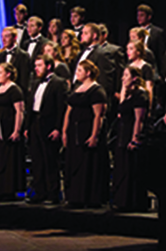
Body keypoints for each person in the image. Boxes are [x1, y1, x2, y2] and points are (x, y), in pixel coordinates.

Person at [62, 60, 108, 208]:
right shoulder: (77, 89)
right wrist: (64, 131)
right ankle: (74, 196)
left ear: (88, 73)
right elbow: (68, 111)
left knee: (87, 163)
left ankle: (88, 197)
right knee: (73, 163)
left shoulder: (97, 91)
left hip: (86, 130)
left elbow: (98, 115)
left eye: (80, 70)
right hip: (73, 131)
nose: (77, 73)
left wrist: (94, 135)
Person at [25, 55, 68, 204]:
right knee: (37, 160)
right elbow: (31, 105)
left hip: (49, 125)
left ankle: (53, 193)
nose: (36, 68)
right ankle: (40, 191)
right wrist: (27, 126)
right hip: (35, 124)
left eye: (39, 65)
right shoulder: (36, 82)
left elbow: (61, 108)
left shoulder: (59, 83)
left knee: (50, 160)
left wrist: (58, 128)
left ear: (48, 66)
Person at [0, 62, 25, 201]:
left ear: (8, 74)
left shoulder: (15, 90)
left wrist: (16, 130)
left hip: (8, 127)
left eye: (0, 73)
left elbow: (19, 111)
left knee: (9, 159)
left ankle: (9, 190)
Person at [113, 66, 150, 212]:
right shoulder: (128, 94)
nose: (123, 78)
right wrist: (123, 89)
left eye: (126, 75)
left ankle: (133, 202)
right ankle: (122, 201)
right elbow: (121, 111)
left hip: (131, 133)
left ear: (134, 78)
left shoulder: (140, 95)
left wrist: (135, 138)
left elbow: (139, 119)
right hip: (122, 133)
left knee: (131, 169)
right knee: (122, 168)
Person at [73, 23, 115, 98]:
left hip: (89, 97)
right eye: (82, 33)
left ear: (94, 35)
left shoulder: (102, 54)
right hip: (77, 94)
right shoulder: (81, 53)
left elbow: (105, 82)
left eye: (85, 33)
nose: (82, 35)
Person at [0, 26, 30, 94]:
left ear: (15, 37)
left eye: (6, 36)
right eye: (2, 37)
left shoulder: (23, 55)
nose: (3, 39)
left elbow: (24, 79)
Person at [136, 4, 166, 71]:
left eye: (142, 15)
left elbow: (161, 54)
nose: (139, 18)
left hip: (151, 68)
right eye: (138, 15)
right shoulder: (135, 31)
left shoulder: (157, 32)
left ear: (149, 17)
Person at [126, 40, 155, 110]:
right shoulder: (128, 66)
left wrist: (149, 107)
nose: (128, 51)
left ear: (138, 52)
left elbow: (149, 88)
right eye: (127, 49)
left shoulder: (147, 67)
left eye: (131, 49)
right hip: (129, 101)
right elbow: (124, 88)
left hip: (140, 102)